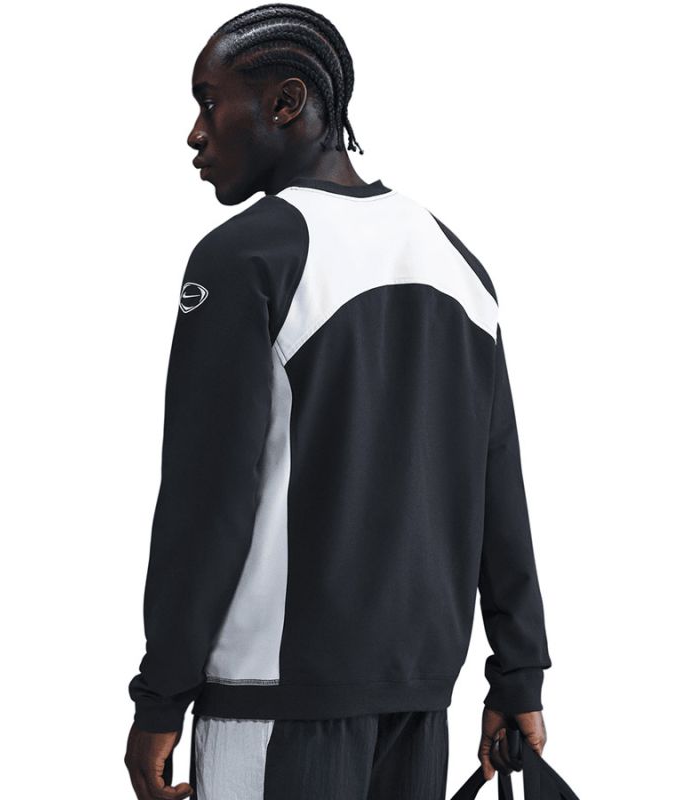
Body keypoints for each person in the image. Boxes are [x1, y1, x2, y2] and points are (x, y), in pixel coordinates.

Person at [124, 4, 552, 799]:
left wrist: (160, 696)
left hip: (273, 703)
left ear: (287, 102)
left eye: (210, 102)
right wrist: (518, 674)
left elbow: (206, 499)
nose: (194, 133)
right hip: (418, 707)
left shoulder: (245, 257)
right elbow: (499, 484)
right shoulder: (459, 264)